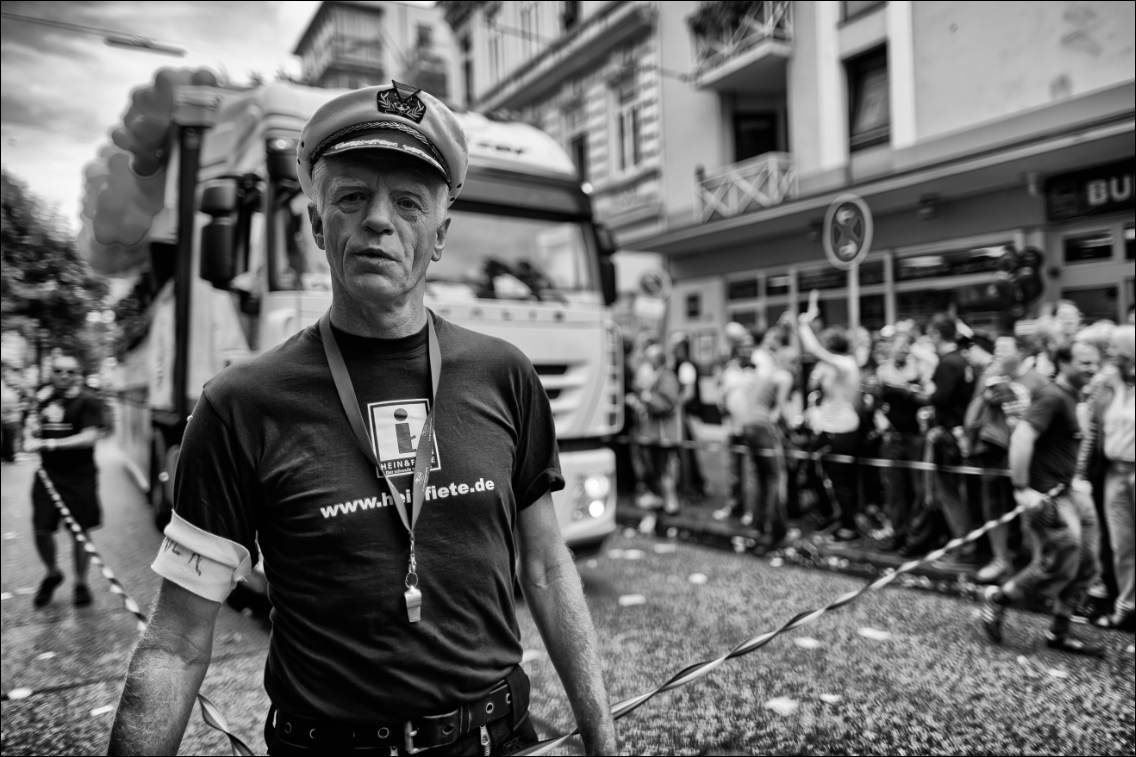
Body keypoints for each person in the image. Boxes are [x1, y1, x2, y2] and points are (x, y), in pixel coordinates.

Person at [108, 83, 616, 755]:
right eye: (352, 197)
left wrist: (602, 735)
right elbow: (174, 644)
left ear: (439, 235)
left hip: (497, 738)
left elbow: (549, 569)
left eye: (408, 202)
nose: (379, 220)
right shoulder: (237, 406)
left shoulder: (506, 373)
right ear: (318, 224)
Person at [980, 341, 1106, 657]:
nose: (1091, 368)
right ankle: (999, 599)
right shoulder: (1052, 396)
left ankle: (1059, 633)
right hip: (1047, 495)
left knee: (1088, 562)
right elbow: (1022, 436)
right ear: (1063, 363)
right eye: (1084, 363)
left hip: (1070, 490)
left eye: (1094, 363)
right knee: (1059, 559)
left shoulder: (1074, 396)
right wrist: (1022, 489)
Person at [23, 351, 105, 608]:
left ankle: (81, 583)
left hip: (80, 476)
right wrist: (28, 436)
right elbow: (31, 427)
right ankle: (52, 573)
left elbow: (90, 436)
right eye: (59, 371)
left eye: (71, 372)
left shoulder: (88, 401)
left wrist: (48, 443)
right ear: (51, 373)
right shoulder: (42, 399)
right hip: (48, 476)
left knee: (80, 533)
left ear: (78, 375)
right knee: (41, 530)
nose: (64, 376)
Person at [966, 335, 1048, 584]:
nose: (998, 354)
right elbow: (971, 417)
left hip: (1028, 456)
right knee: (993, 506)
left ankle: (1039, 564)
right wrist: (985, 397)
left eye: (1005, 349)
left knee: (1032, 511)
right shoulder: (988, 376)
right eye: (996, 349)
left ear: (1022, 352)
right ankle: (1000, 560)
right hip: (993, 452)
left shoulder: (1039, 381)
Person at [1076, 325, 1135, 631]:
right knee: (1121, 543)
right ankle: (1127, 605)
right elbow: (1092, 432)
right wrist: (1081, 473)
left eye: (1117, 351)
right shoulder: (1107, 383)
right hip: (1114, 472)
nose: (1112, 356)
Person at [907, 316, 976, 566]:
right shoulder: (962, 359)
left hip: (949, 437)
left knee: (950, 495)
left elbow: (939, 398)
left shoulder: (947, 363)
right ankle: (964, 544)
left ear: (936, 335)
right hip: (960, 435)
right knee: (958, 493)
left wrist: (917, 394)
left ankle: (964, 550)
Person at [796, 297, 862, 541]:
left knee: (841, 481)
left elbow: (813, 350)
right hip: (828, 428)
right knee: (813, 471)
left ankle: (848, 527)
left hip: (842, 430)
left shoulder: (845, 364)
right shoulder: (833, 367)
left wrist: (803, 325)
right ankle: (832, 514)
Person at [875, 333, 929, 551]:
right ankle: (898, 534)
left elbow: (928, 397)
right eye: (899, 349)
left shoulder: (919, 369)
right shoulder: (883, 370)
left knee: (918, 491)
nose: (903, 352)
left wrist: (911, 390)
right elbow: (877, 401)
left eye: (906, 348)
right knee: (895, 491)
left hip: (915, 437)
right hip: (893, 438)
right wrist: (880, 420)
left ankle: (916, 539)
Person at [628, 343, 682, 515]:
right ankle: (662, 500)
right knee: (658, 469)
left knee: (664, 469)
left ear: (657, 360)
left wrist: (646, 397)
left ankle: (670, 502)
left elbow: (668, 404)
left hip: (664, 434)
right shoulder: (661, 376)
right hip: (656, 434)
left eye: (650, 359)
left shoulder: (667, 377)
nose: (648, 363)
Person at [714, 323, 757, 521]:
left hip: (751, 429)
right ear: (736, 349)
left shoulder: (757, 371)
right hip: (731, 428)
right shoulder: (729, 371)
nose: (747, 350)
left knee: (751, 473)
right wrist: (722, 403)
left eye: (750, 346)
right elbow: (721, 393)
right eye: (743, 346)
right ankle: (734, 506)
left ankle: (751, 510)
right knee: (733, 472)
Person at [671, 335, 706, 500]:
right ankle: (696, 484)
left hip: (688, 415)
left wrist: (675, 405)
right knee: (688, 452)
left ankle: (691, 486)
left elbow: (689, 393)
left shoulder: (686, 366)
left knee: (687, 452)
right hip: (688, 414)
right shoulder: (683, 365)